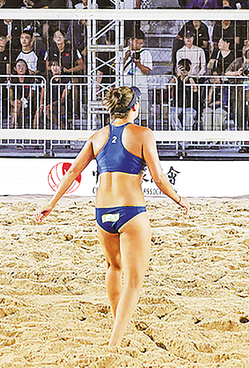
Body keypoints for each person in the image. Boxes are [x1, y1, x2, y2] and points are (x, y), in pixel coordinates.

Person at [33, 86, 189, 346]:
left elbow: (72, 171)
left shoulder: (98, 137)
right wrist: (179, 199)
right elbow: (159, 178)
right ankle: (114, 343)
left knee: (113, 267)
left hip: (102, 213)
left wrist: (51, 203)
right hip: (130, 212)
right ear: (134, 107)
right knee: (134, 282)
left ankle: (119, 325)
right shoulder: (143, 134)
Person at [121, 30, 152, 125]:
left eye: (141, 43)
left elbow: (147, 71)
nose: (138, 45)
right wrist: (126, 58)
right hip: (126, 86)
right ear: (130, 40)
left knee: (143, 115)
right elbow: (116, 69)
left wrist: (138, 63)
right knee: (125, 115)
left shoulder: (145, 53)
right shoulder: (122, 51)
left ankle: (143, 132)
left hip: (141, 87)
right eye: (136, 42)